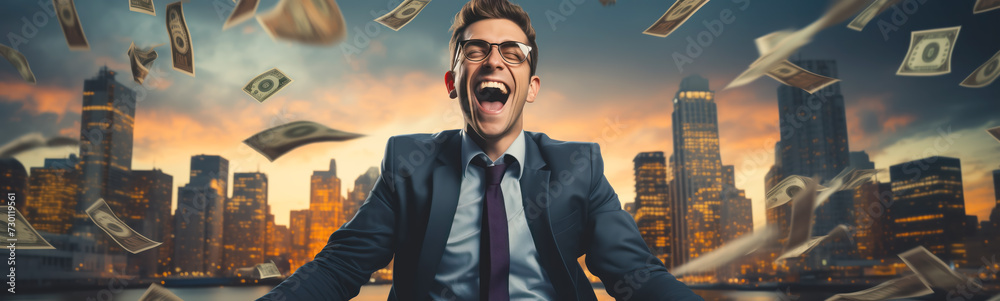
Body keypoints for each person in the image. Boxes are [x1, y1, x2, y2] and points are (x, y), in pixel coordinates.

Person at [257, 0, 703, 300]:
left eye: (514, 53)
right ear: (453, 84)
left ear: (531, 87)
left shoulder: (578, 168)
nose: (494, 61)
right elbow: (339, 267)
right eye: (476, 51)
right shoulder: (409, 166)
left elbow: (638, 278)